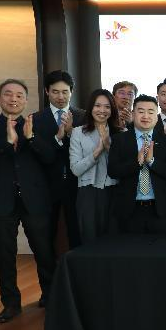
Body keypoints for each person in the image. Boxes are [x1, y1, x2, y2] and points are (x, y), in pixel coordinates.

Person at [0, 79, 56, 323]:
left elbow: (50, 157)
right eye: (8, 94)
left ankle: (50, 296)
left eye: (19, 95)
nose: (13, 99)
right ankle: (10, 304)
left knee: (43, 250)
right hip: (1, 200)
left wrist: (31, 138)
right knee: (5, 254)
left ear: (26, 101)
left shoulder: (37, 127)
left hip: (34, 199)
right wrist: (6, 141)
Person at [107, 95, 166, 234]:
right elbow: (113, 171)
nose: (146, 116)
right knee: (130, 247)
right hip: (129, 209)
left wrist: (152, 162)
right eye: (141, 111)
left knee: (160, 246)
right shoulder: (120, 140)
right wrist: (137, 163)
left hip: (159, 209)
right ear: (133, 114)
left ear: (157, 116)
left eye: (151, 112)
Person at [32, 70, 86, 252]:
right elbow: (38, 154)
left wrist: (70, 133)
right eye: (55, 92)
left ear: (71, 91)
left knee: (78, 233)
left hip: (77, 184)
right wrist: (58, 138)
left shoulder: (84, 117)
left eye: (65, 92)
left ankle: (79, 268)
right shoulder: (36, 120)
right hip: (47, 185)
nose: (60, 97)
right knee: (46, 236)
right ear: (47, 91)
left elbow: (87, 150)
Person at [69, 89, 122, 244]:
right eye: (97, 106)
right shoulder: (78, 132)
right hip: (88, 193)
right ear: (91, 107)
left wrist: (109, 147)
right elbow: (75, 169)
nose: (102, 110)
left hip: (115, 191)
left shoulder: (121, 133)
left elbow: (124, 167)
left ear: (112, 110)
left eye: (107, 107)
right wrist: (97, 152)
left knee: (114, 240)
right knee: (89, 239)